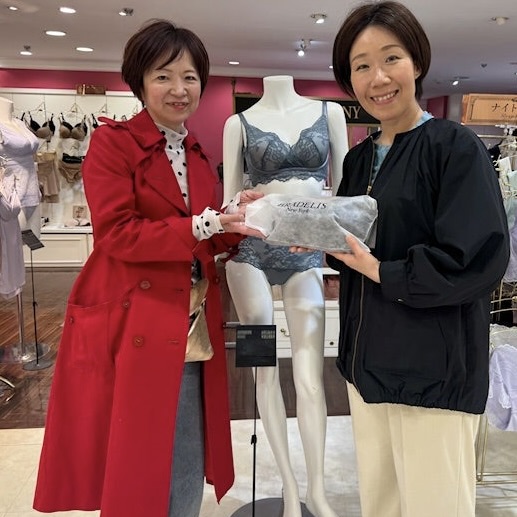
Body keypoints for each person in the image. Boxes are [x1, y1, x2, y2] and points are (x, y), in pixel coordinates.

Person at [33, 19, 262, 517]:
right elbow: (118, 234)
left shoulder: (195, 151)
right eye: (163, 76)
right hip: (135, 317)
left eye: (190, 77)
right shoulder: (113, 144)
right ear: (139, 82)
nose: (179, 89)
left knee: (187, 444)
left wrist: (239, 219)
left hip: (189, 318)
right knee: (139, 452)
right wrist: (205, 224)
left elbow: (202, 240)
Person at [316, 2, 509, 516]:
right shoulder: (360, 158)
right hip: (367, 368)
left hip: (433, 374)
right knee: (381, 504)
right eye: (361, 65)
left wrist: (382, 270)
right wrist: (314, 235)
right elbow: (356, 243)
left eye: (391, 58)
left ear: (416, 62)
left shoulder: (455, 148)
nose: (378, 78)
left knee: (434, 506)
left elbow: (477, 260)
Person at [222, 75, 348, 517]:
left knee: (311, 379)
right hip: (250, 257)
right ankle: (290, 490)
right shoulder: (238, 123)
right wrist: (232, 207)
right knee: (264, 372)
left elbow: (344, 195)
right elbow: (229, 202)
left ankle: (318, 492)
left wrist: (332, 241)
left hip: (306, 254)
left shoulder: (331, 113)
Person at [0, 96, 40, 299]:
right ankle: (11, 288)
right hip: (11, 197)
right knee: (12, 246)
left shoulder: (19, 123)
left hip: (32, 193)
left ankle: (18, 290)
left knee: (25, 245)